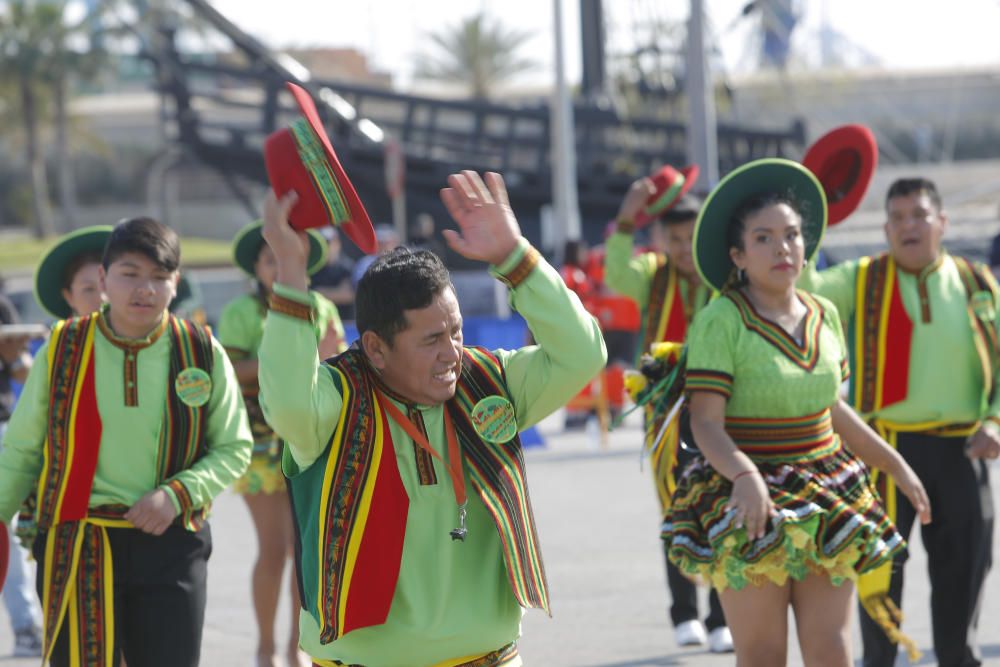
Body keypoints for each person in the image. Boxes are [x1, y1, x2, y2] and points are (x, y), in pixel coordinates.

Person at [257, 171, 606, 666]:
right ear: (375, 347)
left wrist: (514, 256)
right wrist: (291, 274)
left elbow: (582, 354)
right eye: (431, 341)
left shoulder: (489, 381)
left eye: (456, 332)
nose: (452, 354)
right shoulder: (338, 399)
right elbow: (287, 402)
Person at [664, 158, 931, 667]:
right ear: (738, 255)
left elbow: (831, 409)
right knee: (763, 654)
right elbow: (705, 422)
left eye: (791, 235)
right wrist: (744, 475)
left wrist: (895, 465)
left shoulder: (823, 313)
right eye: (763, 238)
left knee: (832, 650)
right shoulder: (722, 320)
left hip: (828, 491)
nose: (782, 247)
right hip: (746, 495)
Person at [0, 217, 253, 666]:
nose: (145, 289)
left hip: (173, 538)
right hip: (79, 542)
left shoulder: (200, 349)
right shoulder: (62, 347)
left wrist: (176, 496)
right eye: (130, 274)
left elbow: (234, 446)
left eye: (160, 277)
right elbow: (21, 450)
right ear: (103, 279)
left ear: (176, 283)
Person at [799, 177, 999, 667]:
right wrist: (810, 223)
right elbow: (801, 291)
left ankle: (958, 657)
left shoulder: (977, 282)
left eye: (920, 215)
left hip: (962, 449)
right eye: (899, 218)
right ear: (886, 228)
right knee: (878, 568)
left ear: (942, 222)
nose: (909, 226)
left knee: (964, 568)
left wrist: (995, 421)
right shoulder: (861, 278)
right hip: (881, 450)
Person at [603, 170, 728, 651]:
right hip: (665, 417)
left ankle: (722, 616)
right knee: (676, 509)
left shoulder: (724, 278)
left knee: (723, 510)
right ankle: (684, 612)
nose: (681, 247)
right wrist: (626, 217)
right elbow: (615, 271)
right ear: (661, 238)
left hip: (719, 413)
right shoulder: (652, 277)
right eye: (673, 238)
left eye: (689, 237)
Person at [217, 220, 345, 667]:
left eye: (285, 258)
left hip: (312, 442)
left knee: (305, 551)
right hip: (259, 446)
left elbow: (337, 368)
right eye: (269, 259)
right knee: (274, 548)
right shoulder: (241, 313)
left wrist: (309, 361)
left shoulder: (324, 308)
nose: (277, 266)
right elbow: (228, 371)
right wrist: (289, 361)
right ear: (256, 266)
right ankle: (265, 648)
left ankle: (297, 649)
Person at [0, 286, 43, 657]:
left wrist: (13, 358)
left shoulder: (2, 307)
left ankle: (26, 627)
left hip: (1, 429)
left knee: (5, 535)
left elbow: (25, 372)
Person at [310, 226, 356, 321]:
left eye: (327, 243)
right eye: (322, 243)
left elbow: (348, 295)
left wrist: (319, 292)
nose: (325, 247)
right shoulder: (313, 268)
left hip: (346, 324)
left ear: (337, 243)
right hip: (319, 322)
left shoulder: (346, 267)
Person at [351, 223, 401, 288]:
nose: (384, 246)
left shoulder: (403, 261)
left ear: (395, 243)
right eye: (380, 243)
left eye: (388, 243)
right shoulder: (364, 263)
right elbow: (359, 285)